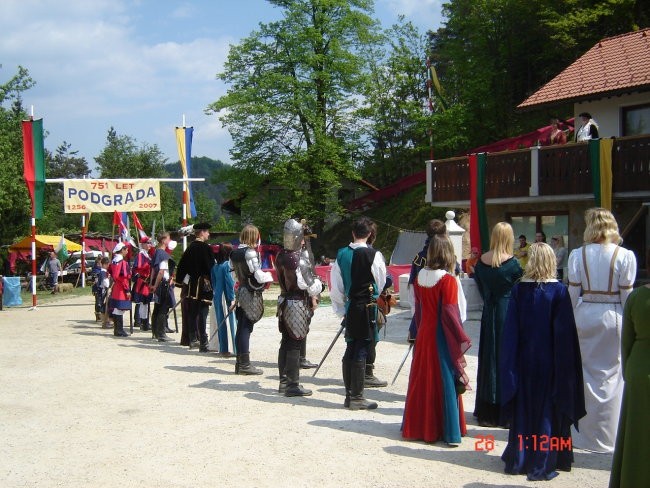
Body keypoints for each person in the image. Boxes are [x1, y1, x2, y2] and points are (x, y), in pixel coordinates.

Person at [500, 243, 586, 481]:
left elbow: (511, 332)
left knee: (524, 407)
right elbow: (564, 335)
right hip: (550, 360)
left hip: (524, 359)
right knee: (547, 409)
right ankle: (544, 456)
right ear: (551, 261)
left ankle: (521, 455)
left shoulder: (518, 291)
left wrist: (509, 364)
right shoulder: (558, 291)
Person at [568, 207, 636, 453]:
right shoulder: (625, 256)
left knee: (585, 372)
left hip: (585, 313)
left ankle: (584, 435)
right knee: (612, 375)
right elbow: (627, 294)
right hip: (614, 314)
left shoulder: (578, 254)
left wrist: (569, 318)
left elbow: (573, 292)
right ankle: (609, 436)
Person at [402, 235, 471, 445]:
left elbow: (419, 310)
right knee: (445, 379)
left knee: (423, 378)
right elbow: (450, 313)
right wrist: (460, 337)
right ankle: (448, 431)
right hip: (440, 334)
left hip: (424, 332)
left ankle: (421, 426)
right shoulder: (447, 280)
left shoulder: (420, 276)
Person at [330, 217, 386, 410]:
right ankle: (356, 397)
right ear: (369, 234)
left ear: (353, 233)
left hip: (351, 305)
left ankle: (350, 395)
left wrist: (341, 310)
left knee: (351, 347)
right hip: (366, 307)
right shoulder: (374, 255)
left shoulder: (341, 255)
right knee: (361, 347)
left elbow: (336, 288)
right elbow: (379, 282)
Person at [473, 222, 523, 427]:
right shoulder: (513, 264)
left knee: (488, 359)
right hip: (507, 311)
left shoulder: (480, 262)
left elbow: (479, 287)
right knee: (507, 358)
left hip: (489, 312)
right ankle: (505, 408)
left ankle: (487, 410)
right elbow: (519, 290)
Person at [275, 218, 324, 397]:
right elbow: (310, 286)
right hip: (297, 303)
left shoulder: (280, 256)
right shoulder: (298, 260)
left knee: (286, 342)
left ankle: (283, 381)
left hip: (284, 301)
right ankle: (292, 384)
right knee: (295, 343)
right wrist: (320, 284)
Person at [609, 283, 650, 487]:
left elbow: (626, 341)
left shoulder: (636, 297)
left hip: (639, 368)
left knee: (636, 431)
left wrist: (628, 372)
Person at [408, 219, 467, 341]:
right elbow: (456, 296)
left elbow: (413, 291)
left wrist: (416, 313)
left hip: (423, 315)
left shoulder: (419, 258)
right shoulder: (449, 259)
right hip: (443, 318)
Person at [230, 224, 273, 375]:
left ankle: (240, 362)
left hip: (241, 290)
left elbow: (234, 275)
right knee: (245, 328)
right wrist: (271, 277)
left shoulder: (234, 253)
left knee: (241, 326)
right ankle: (245, 365)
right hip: (250, 292)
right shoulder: (250, 253)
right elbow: (258, 275)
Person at [175, 223, 215, 352]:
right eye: (207, 231)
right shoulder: (205, 248)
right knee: (202, 313)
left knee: (193, 313)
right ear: (202, 232)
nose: (208, 234)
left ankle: (193, 339)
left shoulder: (190, 247)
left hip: (192, 286)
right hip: (203, 286)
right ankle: (203, 341)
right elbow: (210, 268)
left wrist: (182, 282)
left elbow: (181, 267)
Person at [209, 243, 237, 356]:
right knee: (231, 323)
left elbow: (213, 283)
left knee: (220, 322)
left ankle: (223, 348)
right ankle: (234, 348)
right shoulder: (226, 266)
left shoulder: (215, 266)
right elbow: (229, 283)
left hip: (217, 297)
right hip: (226, 297)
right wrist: (232, 298)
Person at [150, 232, 174, 342]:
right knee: (163, 309)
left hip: (158, 283)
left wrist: (152, 283)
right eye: (168, 239)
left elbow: (152, 271)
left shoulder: (156, 252)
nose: (169, 241)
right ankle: (161, 334)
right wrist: (155, 285)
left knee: (157, 307)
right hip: (163, 284)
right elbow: (160, 272)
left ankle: (155, 332)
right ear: (163, 240)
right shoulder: (162, 254)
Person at [108, 242, 131, 337]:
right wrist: (127, 290)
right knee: (119, 309)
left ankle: (118, 330)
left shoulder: (114, 261)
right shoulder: (122, 262)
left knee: (117, 308)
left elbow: (111, 273)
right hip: (121, 287)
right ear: (122, 250)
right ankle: (119, 330)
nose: (127, 251)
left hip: (116, 286)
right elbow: (124, 277)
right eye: (126, 249)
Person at [131, 237, 153, 331]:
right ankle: (140, 321)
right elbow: (138, 267)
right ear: (143, 244)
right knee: (141, 302)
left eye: (150, 243)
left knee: (145, 303)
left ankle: (144, 322)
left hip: (146, 281)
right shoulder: (141, 255)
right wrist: (149, 264)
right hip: (142, 281)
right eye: (147, 243)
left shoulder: (147, 255)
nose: (149, 244)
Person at [92, 257, 110, 324]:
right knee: (100, 304)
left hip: (102, 290)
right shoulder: (102, 272)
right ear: (105, 264)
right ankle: (102, 319)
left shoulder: (104, 272)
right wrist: (109, 285)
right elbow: (105, 282)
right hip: (100, 290)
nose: (108, 266)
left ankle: (102, 318)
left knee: (101, 303)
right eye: (108, 264)